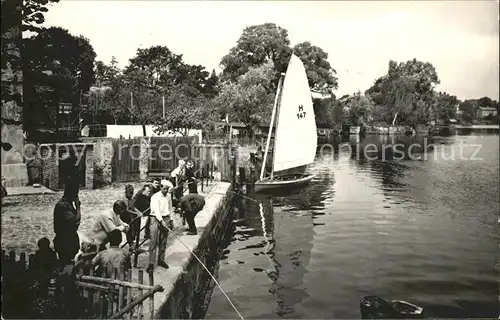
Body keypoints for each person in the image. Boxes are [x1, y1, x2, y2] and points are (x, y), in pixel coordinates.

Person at [53, 178, 81, 268]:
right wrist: (78, 207)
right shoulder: (62, 206)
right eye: (76, 193)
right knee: (65, 265)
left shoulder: (68, 204)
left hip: (70, 240)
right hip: (65, 242)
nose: (77, 196)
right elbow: (75, 220)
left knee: (68, 265)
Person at [148, 179, 174, 272]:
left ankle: (161, 260)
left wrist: (171, 220)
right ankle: (151, 264)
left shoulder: (169, 196)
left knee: (163, 240)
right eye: (165, 189)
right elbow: (156, 210)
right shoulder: (155, 197)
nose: (166, 191)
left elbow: (170, 208)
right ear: (161, 187)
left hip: (165, 217)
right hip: (155, 218)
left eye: (168, 189)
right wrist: (161, 220)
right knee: (153, 241)